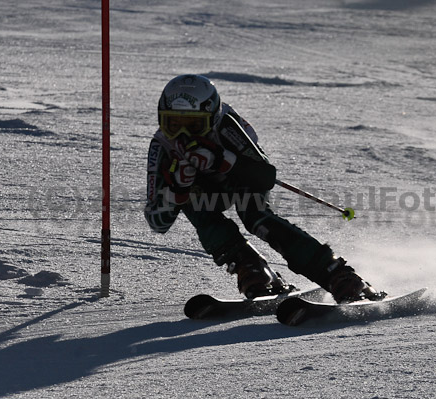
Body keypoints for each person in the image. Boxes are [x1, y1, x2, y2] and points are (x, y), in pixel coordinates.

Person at [144, 74, 384, 303]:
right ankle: (251, 267)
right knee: (197, 208)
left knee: (256, 216)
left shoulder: (226, 126)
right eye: (173, 124)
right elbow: (158, 222)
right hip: (205, 194)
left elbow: (264, 176)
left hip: (239, 181)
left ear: (212, 117)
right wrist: (176, 189)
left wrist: (223, 160)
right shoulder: (162, 146)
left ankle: (337, 274)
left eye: (194, 126)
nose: (183, 135)